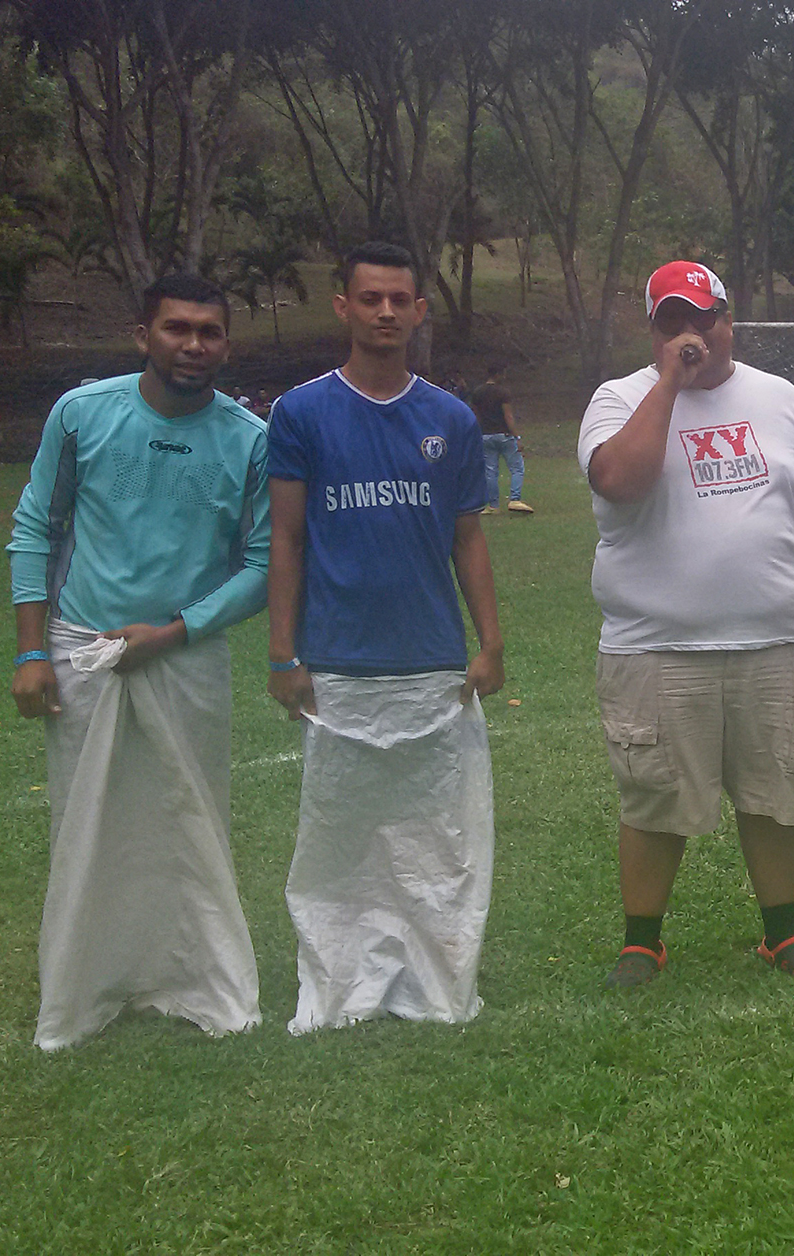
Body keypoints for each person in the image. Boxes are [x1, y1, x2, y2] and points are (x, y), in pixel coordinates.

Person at [7, 272, 268, 1050]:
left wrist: (177, 630)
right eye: (176, 328)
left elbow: (261, 564)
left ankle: (194, 979)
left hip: (184, 656)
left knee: (190, 816)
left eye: (209, 331)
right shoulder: (84, 415)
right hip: (81, 649)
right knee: (87, 821)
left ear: (226, 342)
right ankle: (87, 987)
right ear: (142, 334)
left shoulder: (250, 439)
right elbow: (33, 530)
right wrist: (31, 651)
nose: (193, 345)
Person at [581, 261, 794, 989]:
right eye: (674, 321)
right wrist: (668, 383)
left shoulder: (780, 397)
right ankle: (643, 944)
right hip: (660, 646)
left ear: (732, 319)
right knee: (657, 797)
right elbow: (620, 482)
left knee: (778, 793)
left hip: (783, 639)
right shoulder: (620, 399)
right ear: (655, 331)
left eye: (706, 316)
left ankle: (783, 935)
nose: (693, 332)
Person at [265, 241, 505, 1033]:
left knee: (438, 843)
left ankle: (437, 984)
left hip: (432, 663)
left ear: (419, 311)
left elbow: (468, 537)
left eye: (400, 300)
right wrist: (282, 653)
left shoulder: (448, 417)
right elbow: (288, 541)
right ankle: (341, 984)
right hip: (338, 662)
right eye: (369, 298)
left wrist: (490, 640)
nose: (385, 313)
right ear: (344, 306)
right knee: (341, 841)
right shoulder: (301, 412)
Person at [471, 362, 533, 514]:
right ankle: (515, 499)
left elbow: (475, 415)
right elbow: (508, 416)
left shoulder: (478, 392)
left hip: (485, 435)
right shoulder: (503, 392)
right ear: (497, 374)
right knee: (517, 468)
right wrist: (516, 436)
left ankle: (493, 506)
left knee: (490, 471)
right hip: (504, 435)